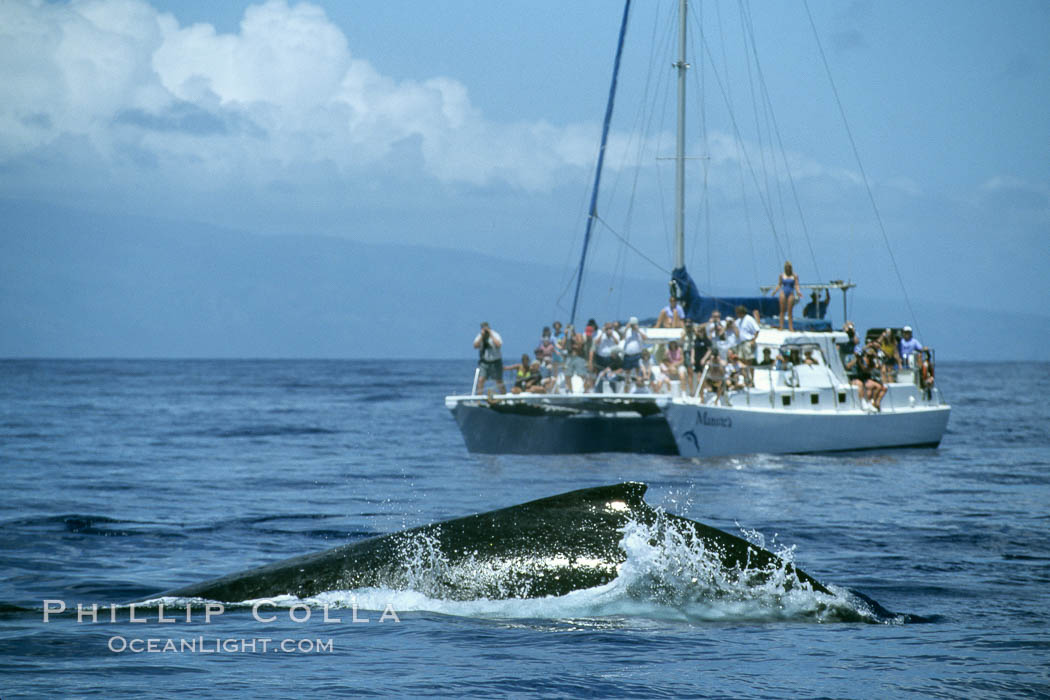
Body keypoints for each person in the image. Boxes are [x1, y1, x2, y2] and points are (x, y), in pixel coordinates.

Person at [473, 322, 505, 394]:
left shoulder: (495, 334)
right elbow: (475, 346)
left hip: (496, 361)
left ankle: (504, 397)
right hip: (484, 362)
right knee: (481, 380)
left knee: (499, 380)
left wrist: (491, 334)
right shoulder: (480, 336)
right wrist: (482, 336)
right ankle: (479, 399)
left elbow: (498, 344)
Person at [770, 260, 800, 331]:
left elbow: (796, 285)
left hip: (791, 292)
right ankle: (781, 326)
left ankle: (791, 327)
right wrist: (774, 291)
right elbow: (779, 285)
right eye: (786, 267)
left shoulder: (794, 276)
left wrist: (798, 292)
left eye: (789, 267)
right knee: (782, 310)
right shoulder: (782, 275)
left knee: (790, 311)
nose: (788, 268)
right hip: (783, 292)